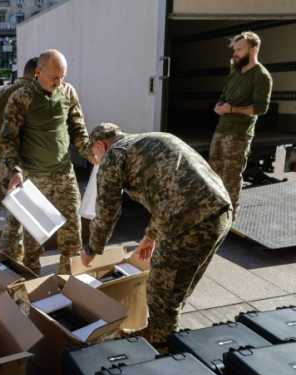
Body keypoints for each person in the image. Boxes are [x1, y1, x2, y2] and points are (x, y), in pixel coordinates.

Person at [82, 123, 232, 347]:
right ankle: (162, 333)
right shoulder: (152, 138)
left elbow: (107, 211)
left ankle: (160, 349)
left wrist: (91, 249)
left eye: (94, 155)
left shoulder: (114, 155)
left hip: (188, 223)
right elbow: (170, 191)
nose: (96, 161)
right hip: (220, 214)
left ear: (99, 145)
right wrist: (150, 237)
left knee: (160, 292)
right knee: (177, 289)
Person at [0, 49, 92, 275]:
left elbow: (78, 129)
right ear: (38, 72)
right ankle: (33, 284)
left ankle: (69, 283)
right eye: (54, 77)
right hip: (33, 178)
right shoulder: (21, 97)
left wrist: (90, 152)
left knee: (72, 234)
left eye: (63, 76)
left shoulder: (68, 93)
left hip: (64, 175)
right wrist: (15, 170)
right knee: (33, 240)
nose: (59, 82)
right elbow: (7, 139)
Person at [0, 57, 38, 264]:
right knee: (31, 214)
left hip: (6, 162)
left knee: (16, 211)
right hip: (34, 162)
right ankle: (14, 259)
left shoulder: (0, 92)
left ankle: (10, 258)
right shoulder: (41, 94)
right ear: (38, 73)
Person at [210, 31, 272, 219]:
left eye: (239, 49)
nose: (235, 53)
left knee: (231, 176)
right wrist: (219, 105)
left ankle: (230, 215)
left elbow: (260, 108)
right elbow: (225, 93)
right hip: (221, 129)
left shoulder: (261, 76)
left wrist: (232, 110)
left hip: (239, 134)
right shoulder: (235, 70)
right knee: (213, 172)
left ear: (253, 50)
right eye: (235, 49)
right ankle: (214, 212)